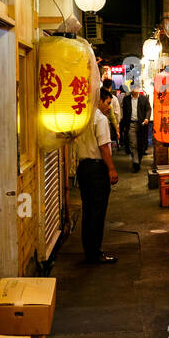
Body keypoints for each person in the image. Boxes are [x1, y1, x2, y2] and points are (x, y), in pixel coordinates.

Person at [74, 89, 119, 264]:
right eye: (107, 103)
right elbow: (104, 147)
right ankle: (95, 253)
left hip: (83, 167)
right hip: (96, 169)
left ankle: (89, 251)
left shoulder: (82, 117)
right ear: (99, 101)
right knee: (97, 212)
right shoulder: (99, 119)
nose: (109, 107)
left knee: (88, 210)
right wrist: (112, 169)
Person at [122, 82, 151, 172]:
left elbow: (148, 109)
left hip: (142, 125)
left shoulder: (144, 99)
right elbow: (124, 113)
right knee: (133, 144)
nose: (134, 91)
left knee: (141, 145)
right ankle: (136, 163)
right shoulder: (126, 99)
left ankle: (138, 160)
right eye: (133, 89)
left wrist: (147, 118)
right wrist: (123, 126)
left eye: (136, 88)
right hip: (131, 124)